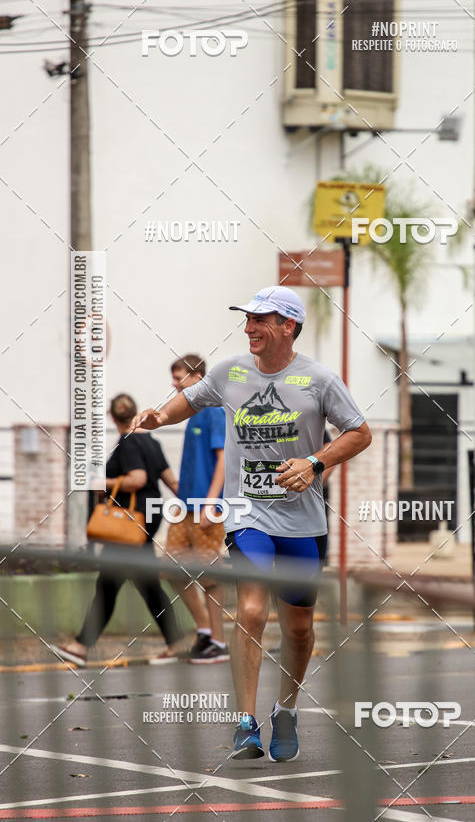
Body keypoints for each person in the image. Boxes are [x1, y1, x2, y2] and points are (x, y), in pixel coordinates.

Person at [130, 286, 371, 762]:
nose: (249, 328)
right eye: (247, 319)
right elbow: (190, 401)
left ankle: (286, 709)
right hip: (247, 513)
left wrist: (315, 463)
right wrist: (158, 416)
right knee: (254, 609)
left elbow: (360, 432)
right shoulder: (230, 371)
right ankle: (245, 722)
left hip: (302, 521)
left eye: (260, 319)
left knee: (298, 628)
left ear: (288, 326)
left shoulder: (319, 379)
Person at [52, 394, 184, 667]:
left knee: (108, 585)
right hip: (148, 519)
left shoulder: (128, 443)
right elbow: (172, 482)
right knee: (147, 585)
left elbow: (138, 479)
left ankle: (80, 646)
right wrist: (197, 508)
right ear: (135, 413)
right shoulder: (152, 442)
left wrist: (103, 481)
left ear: (112, 417)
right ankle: (176, 643)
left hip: (128, 523)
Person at [163, 354, 228, 664]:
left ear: (198, 377)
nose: (174, 384)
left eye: (179, 378)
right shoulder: (191, 413)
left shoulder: (214, 411)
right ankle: (204, 630)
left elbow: (224, 461)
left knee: (210, 575)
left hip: (207, 507)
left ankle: (219, 642)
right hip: (185, 507)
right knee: (170, 568)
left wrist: (212, 503)